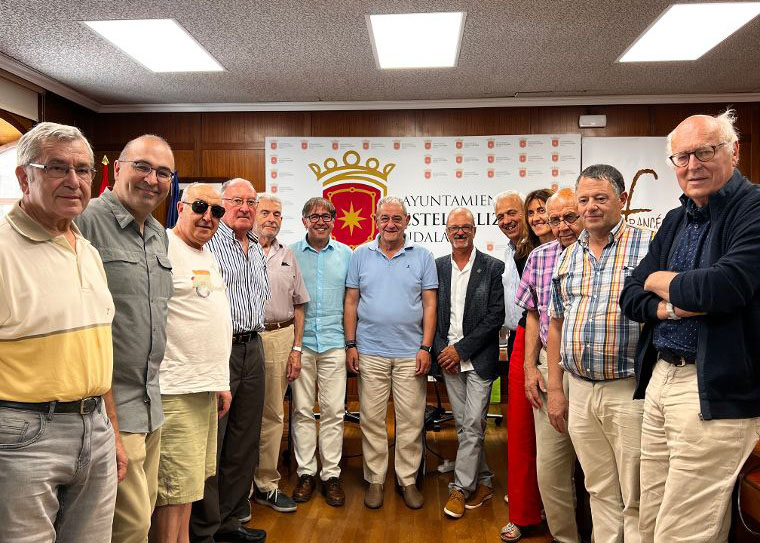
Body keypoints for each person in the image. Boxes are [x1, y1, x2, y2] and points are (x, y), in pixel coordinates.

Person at [620, 110, 760, 543]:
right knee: (648, 520)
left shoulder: (753, 208)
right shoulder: (675, 220)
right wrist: (674, 306)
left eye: (704, 152)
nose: (692, 165)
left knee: (683, 532)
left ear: (733, 151)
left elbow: (723, 287)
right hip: (661, 377)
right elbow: (631, 293)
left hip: (712, 387)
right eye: (682, 157)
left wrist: (660, 281)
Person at [0, 122, 116, 542]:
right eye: (56, 168)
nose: (74, 180)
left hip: (95, 426)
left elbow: (98, 352)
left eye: (83, 170)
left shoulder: (86, 249)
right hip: (24, 435)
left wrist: (111, 433)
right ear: (23, 177)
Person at [76, 134, 175, 543]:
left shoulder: (158, 232)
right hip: (109, 410)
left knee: (141, 518)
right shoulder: (84, 222)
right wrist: (109, 420)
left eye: (163, 172)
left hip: (151, 405)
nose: (152, 179)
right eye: (142, 167)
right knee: (128, 528)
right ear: (117, 169)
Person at [547, 164, 653, 543]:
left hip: (629, 390)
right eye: (584, 199)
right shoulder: (568, 255)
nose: (590, 207)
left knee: (636, 493)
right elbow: (556, 323)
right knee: (599, 488)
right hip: (579, 390)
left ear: (622, 200)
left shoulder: (649, 245)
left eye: (600, 198)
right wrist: (556, 389)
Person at [344, 196, 438, 510]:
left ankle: (407, 479)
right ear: (375, 220)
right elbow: (351, 302)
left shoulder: (423, 256)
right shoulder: (360, 255)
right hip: (369, 351)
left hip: (411, 353)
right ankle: (375, 479)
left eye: (397, 218)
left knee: (411, 420)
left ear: (407, 221)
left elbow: (430, 304)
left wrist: (425, 347)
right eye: (384, 218)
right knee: (371, 419)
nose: (390, 224)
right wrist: (351, 344)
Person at [153, 184, 233, 543]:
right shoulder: (163, 247)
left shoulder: (205, 253)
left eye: (217, 211)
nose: (208, 217)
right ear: (180, 207)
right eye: (200, 207)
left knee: (190, 486)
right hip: (176, 389)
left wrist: (220, 381)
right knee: (173, 490)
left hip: (204, 387)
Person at [190, 178, 268, 543]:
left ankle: (230, 520)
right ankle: (204, 529)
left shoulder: (257, 245)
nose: (245, 208)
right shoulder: (209, 242)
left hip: (254, 347)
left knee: (244, 440)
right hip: (220, 350)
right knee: (215, 442)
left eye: (251, 202)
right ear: (223, 205)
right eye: (237, 201)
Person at [517, 188, 584, 543]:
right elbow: (533, 315)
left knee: (598, 471)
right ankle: (564, 538)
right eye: (555, 219)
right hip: (548, 367)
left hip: (593, 371)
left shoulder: (602, 253)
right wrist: (530, 367)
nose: (561, 226)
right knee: (551, 469)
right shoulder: (539, 257)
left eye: (569, 217)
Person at [433, 207, 505, 519]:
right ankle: (484, 478)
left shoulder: (493, 267)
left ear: (474, 230)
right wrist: (443, 351)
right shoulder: (437, 267)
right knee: (465, 427)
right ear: (446, 232)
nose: (459, 232)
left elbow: (495, 316)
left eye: (465, 227)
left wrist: (460, 350)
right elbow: (431, 313)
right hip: (447, 360)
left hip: (477, 358)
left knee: (473, 424)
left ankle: (460, 489)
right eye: (454, 228)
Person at [290, 197, 352, 507]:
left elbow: (353, 301)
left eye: (326, 216)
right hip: (301, 345)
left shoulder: (347, 254)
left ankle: (331, 475)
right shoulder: (289, 253)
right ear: (304, 221)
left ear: (333, 221)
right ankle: (306, 473)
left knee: (333, 412)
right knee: (302, 410)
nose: (320, 221)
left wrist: (351, 343)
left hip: (334, 343)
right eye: (314, 216)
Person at [498, 189, 552, 542]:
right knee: (521, 433)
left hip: (567, 345)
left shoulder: (575, 248)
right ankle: (523, 511)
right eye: (532, 212)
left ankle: (553, 507)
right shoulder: (519, 253)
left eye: (541, 211)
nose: (536, 218)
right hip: (525, 340)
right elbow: (525, 311)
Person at [251, 193, 309, 513]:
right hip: (243, 338)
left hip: (280, 336)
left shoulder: (288, 255)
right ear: (252, 213)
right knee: (241, 413)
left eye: (277, 214)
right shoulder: (236, 249)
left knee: (273, 414)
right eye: (265, 212)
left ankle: (266, 484)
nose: (271, 219)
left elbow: (299, 305)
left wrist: (296, 348)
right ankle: (240, 487)